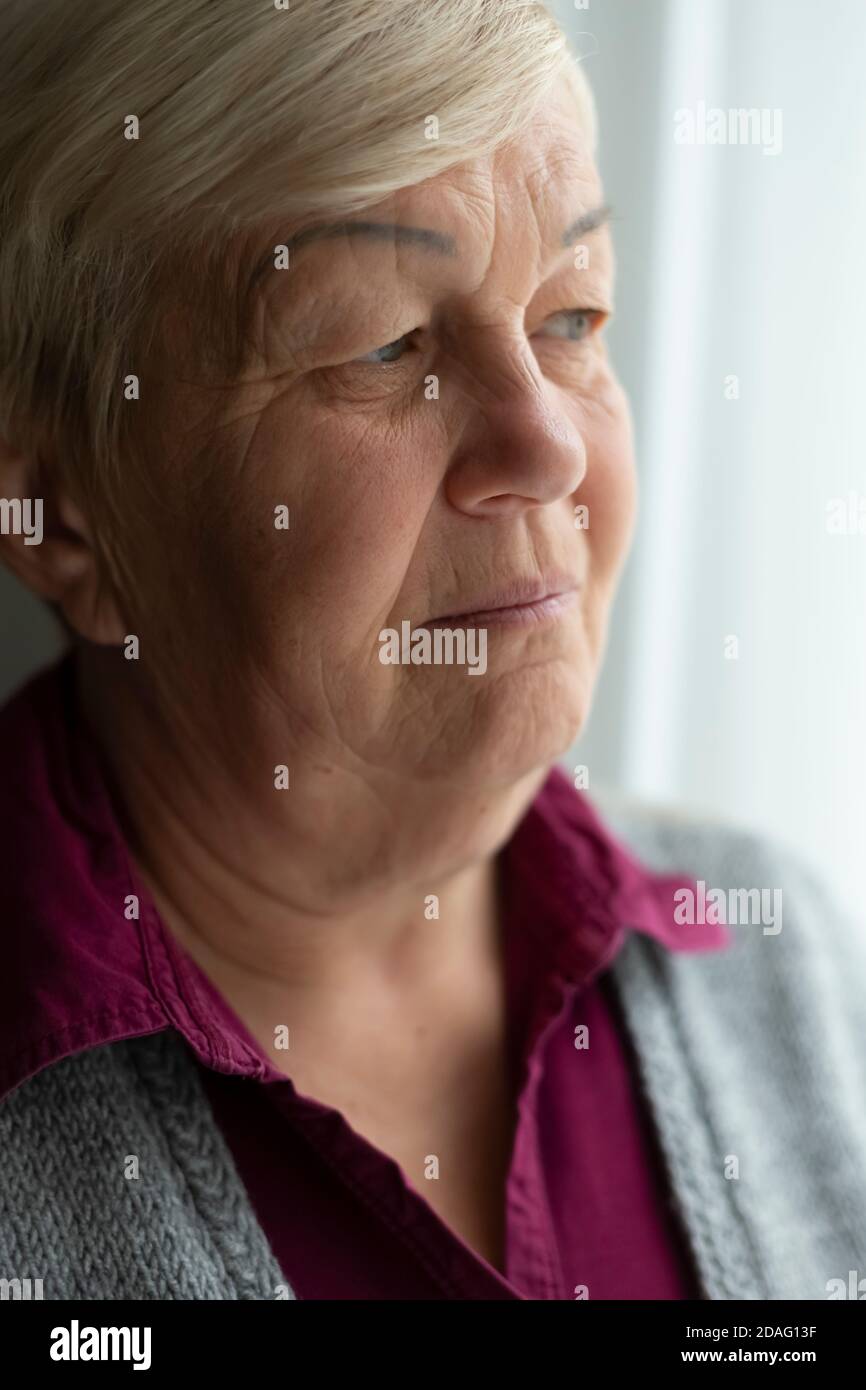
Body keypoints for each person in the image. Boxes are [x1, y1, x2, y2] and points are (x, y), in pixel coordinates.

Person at [0, 0, 864, 1302]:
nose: (548, 446)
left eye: (571, 317)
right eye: (384, 343)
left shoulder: (777, 946)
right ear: (65, 513)